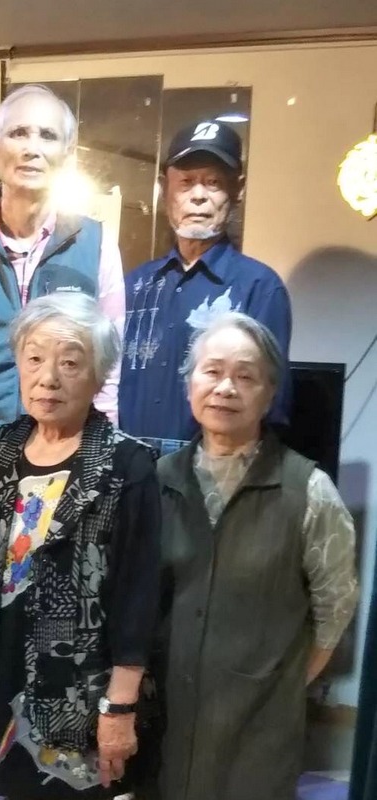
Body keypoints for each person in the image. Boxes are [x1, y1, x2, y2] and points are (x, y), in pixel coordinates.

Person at [155, 312, 358, 800]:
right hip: (165, 719)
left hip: (259, 728)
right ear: (190, 384)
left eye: (245, 377)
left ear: (269, 395)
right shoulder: (158, 480)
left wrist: (277, 684)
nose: (225, 388)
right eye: (212, 371)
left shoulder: (310, 491)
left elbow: (335, 610)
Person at [0, 292, 161, 800]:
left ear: (99, 376)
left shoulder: (127, 464)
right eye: (34, 358)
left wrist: (120, 707)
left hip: (82, 697)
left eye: (70, 362)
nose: (48, 378)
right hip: (2, 681)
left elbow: (139, 597)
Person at [0, 83, 125, 451]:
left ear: (67, 156)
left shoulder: (96, 245)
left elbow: (108, 368)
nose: (32, 148)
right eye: (18, 133)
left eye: (48, 136)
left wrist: (104, 453)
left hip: (63, 454)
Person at [118, 120, 292, 451]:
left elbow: (272, 404)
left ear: (237, 190)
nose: (198, 196)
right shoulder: (134, 285)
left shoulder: (259, 288)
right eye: (186, 182)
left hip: (211, 465)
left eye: (213, 183)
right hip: (128, 463)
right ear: (164, 189)